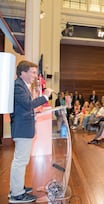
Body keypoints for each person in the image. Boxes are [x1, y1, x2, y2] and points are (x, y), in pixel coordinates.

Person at [9, 60, 53, 203]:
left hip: (24, 128)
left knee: (21, 161)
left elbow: (25, 107)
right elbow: (27, 105)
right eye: (33, 72)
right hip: (22, 129)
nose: (35, 75)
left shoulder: (22, 86)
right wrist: (45, 96)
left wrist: (35, 111)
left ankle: (17, 187)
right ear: (23, 72)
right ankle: (17, 194)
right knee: (20, 161)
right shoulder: (18, 86)